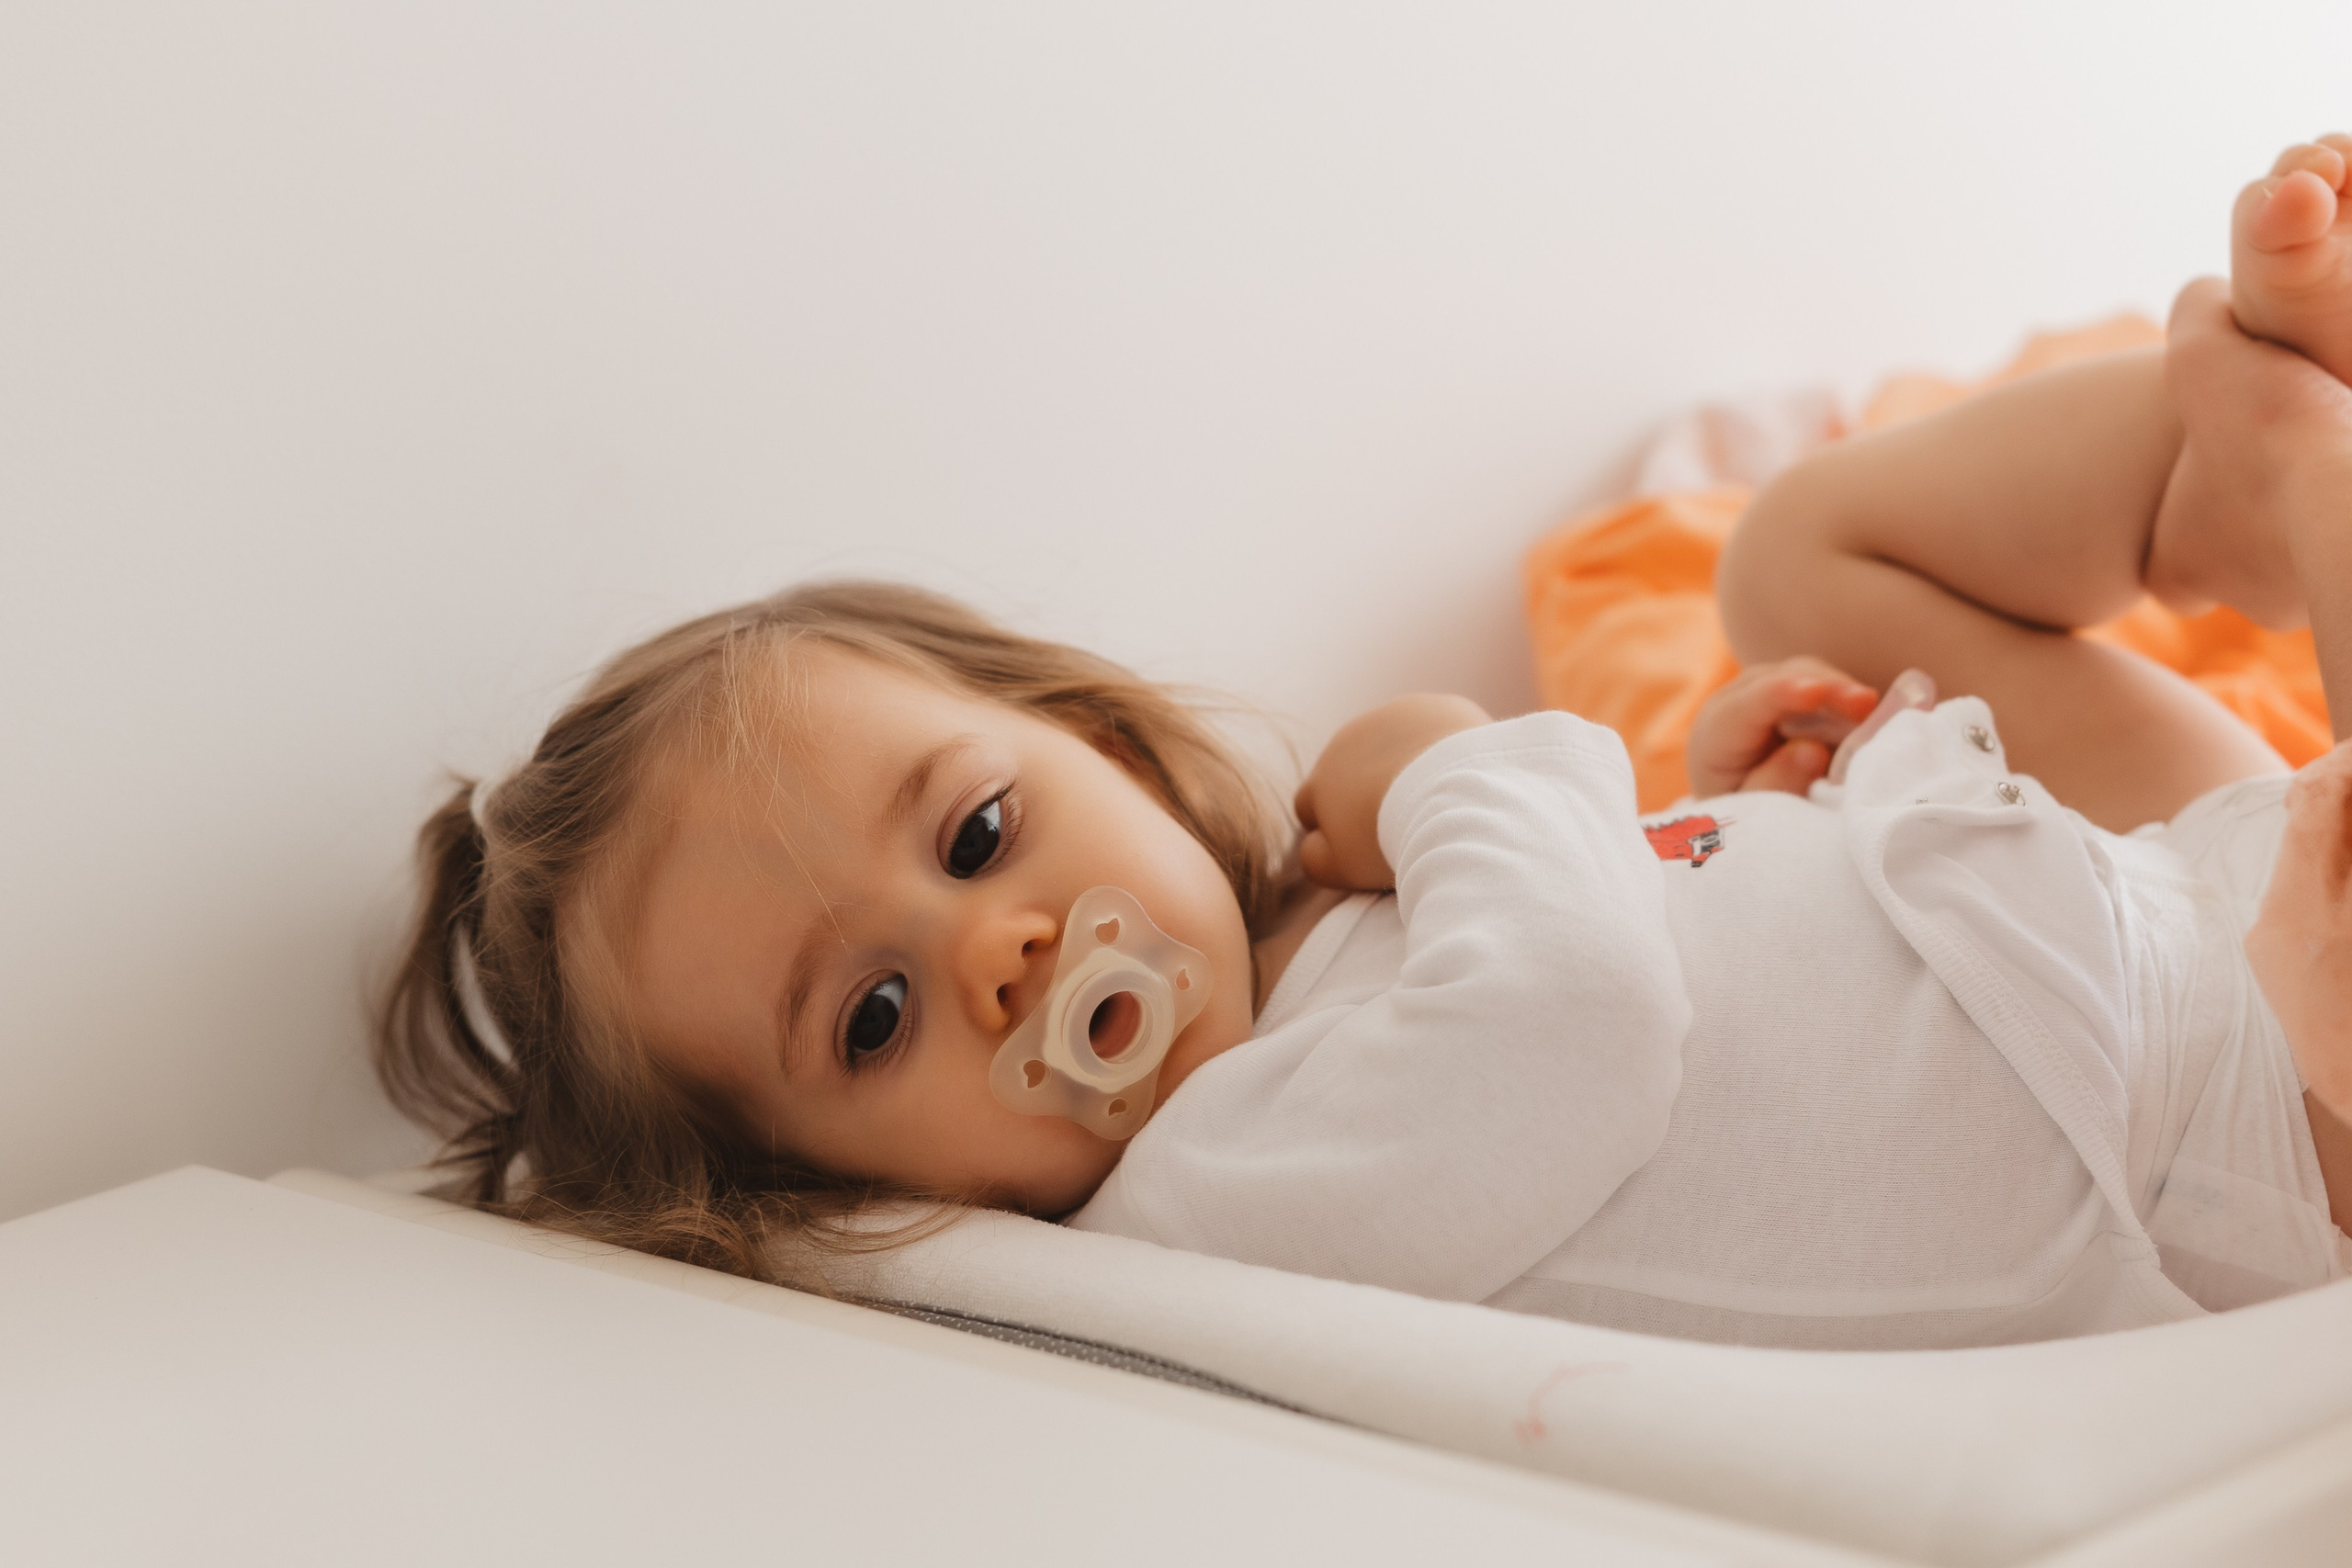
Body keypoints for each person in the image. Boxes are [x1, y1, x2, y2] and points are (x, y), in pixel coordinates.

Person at [379, 137, 2352, 1348]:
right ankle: (2312, 475)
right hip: (2232, 1122)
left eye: (978, 830)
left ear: (1102, 748)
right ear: (837, 1198)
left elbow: (1671, 988)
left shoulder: (1322, 947)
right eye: (872, 1021)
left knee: (1793, 554)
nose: (999, 952)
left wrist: (1723, 812)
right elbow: (1577, 1016)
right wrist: (1437, 753)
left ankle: (2244, 450)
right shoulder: (1210, 1194)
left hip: (2098, 918)